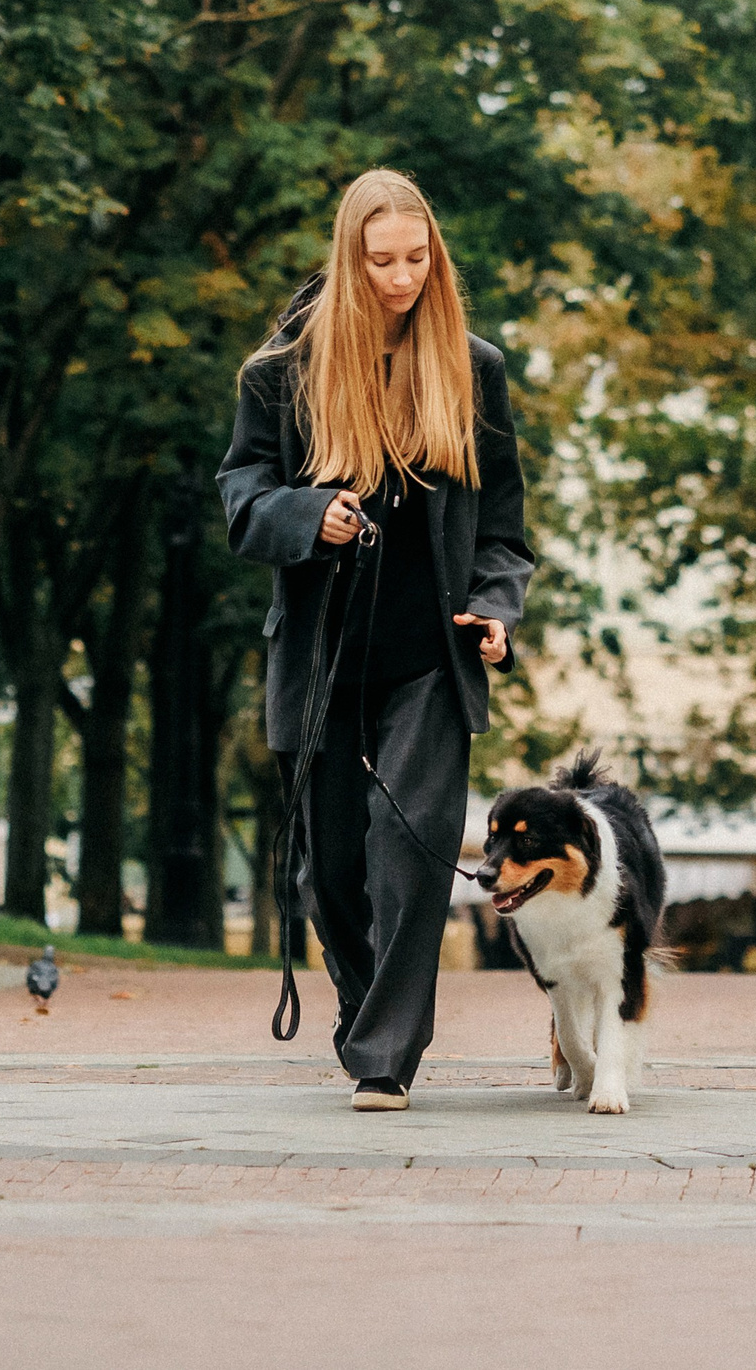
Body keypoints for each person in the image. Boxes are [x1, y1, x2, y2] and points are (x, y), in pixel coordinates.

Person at [218, 167, 534, 1111]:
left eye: (416, 257)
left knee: (411, 845)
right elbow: (242, 502)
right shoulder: (282, 374)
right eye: (382, 261)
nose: (402, 278)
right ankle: (363, 1010)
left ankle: (387, 1055)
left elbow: (506, 529)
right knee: (337, 872)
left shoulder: (473, 368)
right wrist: (311, 516)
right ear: (349, 261)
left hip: (428, 661)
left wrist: (496, 608)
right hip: (321, 660)